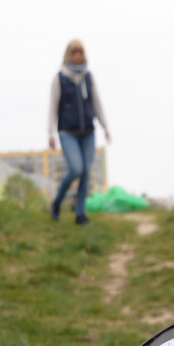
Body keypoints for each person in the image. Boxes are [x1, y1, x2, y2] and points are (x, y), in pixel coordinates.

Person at [48, 39, 111, 225]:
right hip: (67, 132)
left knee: (85, 173)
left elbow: (96, 103)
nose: (77, 56)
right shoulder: (59, 78)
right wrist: (49, 133)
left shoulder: (88, 77)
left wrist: (105, 127)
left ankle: (80, 214)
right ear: (68, 55)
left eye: (80, 52)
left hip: (88, 132)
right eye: (74, 53)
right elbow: (52, 107)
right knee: (76, 168)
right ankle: (57, 201)